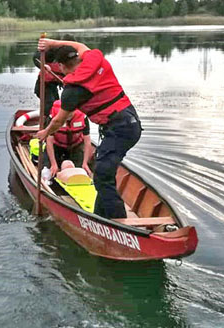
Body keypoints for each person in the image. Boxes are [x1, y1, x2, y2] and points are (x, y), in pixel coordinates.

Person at [36, 38, 142, 219]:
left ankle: (118, 221)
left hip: (119, 129)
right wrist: (51, 43)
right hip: (131, 122)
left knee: (102, 175)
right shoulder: (94, 58)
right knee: (101, 171)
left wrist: (44, 133)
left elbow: (59, 121)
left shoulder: (73, 91)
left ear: (61, 66)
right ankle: (99, 215)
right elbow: (79, 45)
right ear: (77, 58)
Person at [46, 100, 93, 178]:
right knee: (49, 170)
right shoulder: (53, 117)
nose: (67, 116)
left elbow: (87, 141)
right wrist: (53, 164)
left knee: (82, 171)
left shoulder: (83, 117)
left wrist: (85, 163)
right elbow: (49, 141)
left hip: (76, 146)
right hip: (57, 146)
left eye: (70, 113)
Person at [33, 48, 64, 119]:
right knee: (49, 104)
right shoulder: (51, 53)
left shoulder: (67, 63)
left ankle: (55, 122)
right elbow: (36, 57)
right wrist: (43, 66)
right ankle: (46, 123)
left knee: (57, 103)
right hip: (42, 85)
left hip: (53, 86)